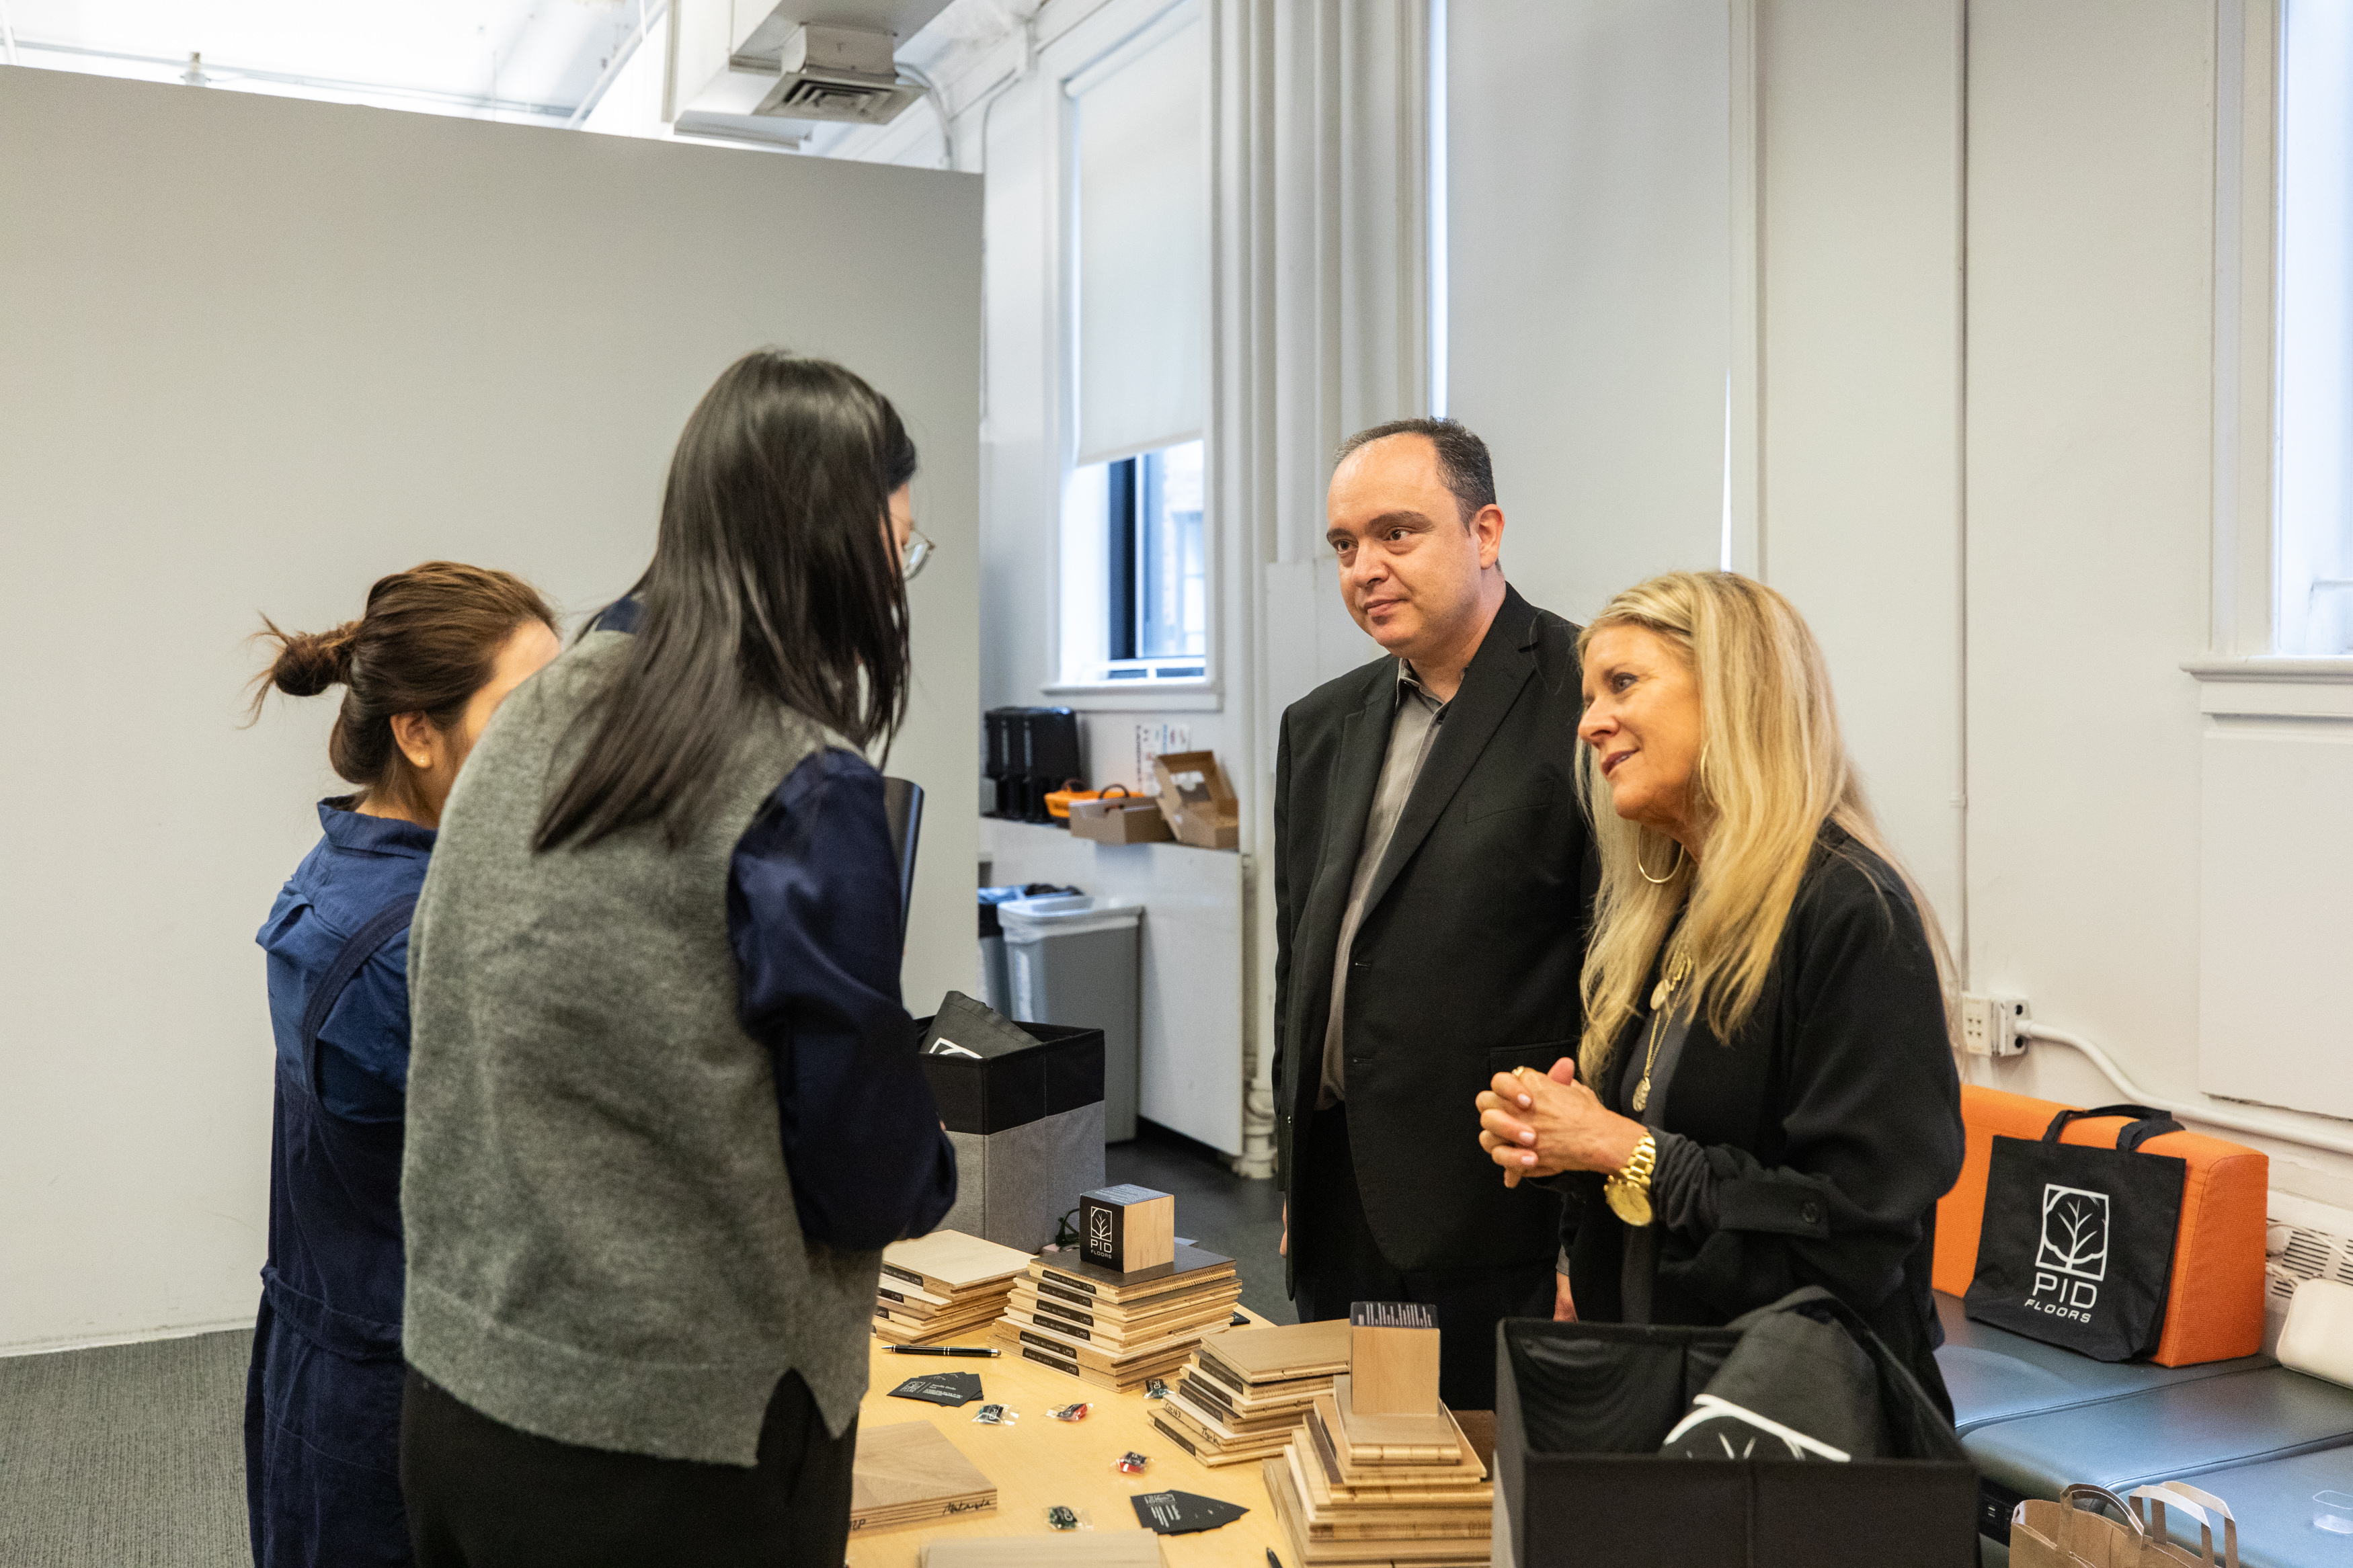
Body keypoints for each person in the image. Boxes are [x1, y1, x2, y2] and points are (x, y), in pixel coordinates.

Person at [397, 350, 957, 1567]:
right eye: (898, 550)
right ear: (835, 544)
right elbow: (863, 1168)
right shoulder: (800, 777)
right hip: (683, 1446)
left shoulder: (532, 716)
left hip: (463, 1389)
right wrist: (936, 1165)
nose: (897, 591)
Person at [1475, 569, 1964, 1411]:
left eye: (1622, 684)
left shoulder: (1850, 911)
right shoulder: (1665, 907)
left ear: (1735, 694)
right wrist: (1567, 1152)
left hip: (1796, 1428)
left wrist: (1618, 1148)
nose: (1589, 721)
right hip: (1665, 1388)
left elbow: (1847, 1231)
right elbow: (1675, 1161)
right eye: (1588, 693)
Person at [1273, 417, 1597, 1410]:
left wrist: (1591, 1238)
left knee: (1476, 1510)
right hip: (1339, 1197)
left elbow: (1616, 980)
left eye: (1396, 534)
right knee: (1353, 1482)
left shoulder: (1590, 699)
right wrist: (1294, 1172)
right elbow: (1303, 958)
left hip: (1495, 1212)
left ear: (1486, 531)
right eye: (1343, 545)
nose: (1364, 567)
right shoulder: (1321, 723)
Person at [244, 563, 561, 1567]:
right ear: (418, 733)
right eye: (523, 716)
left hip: (335, 1352)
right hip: (399, 1393)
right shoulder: (413, 942)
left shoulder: (347, 862)